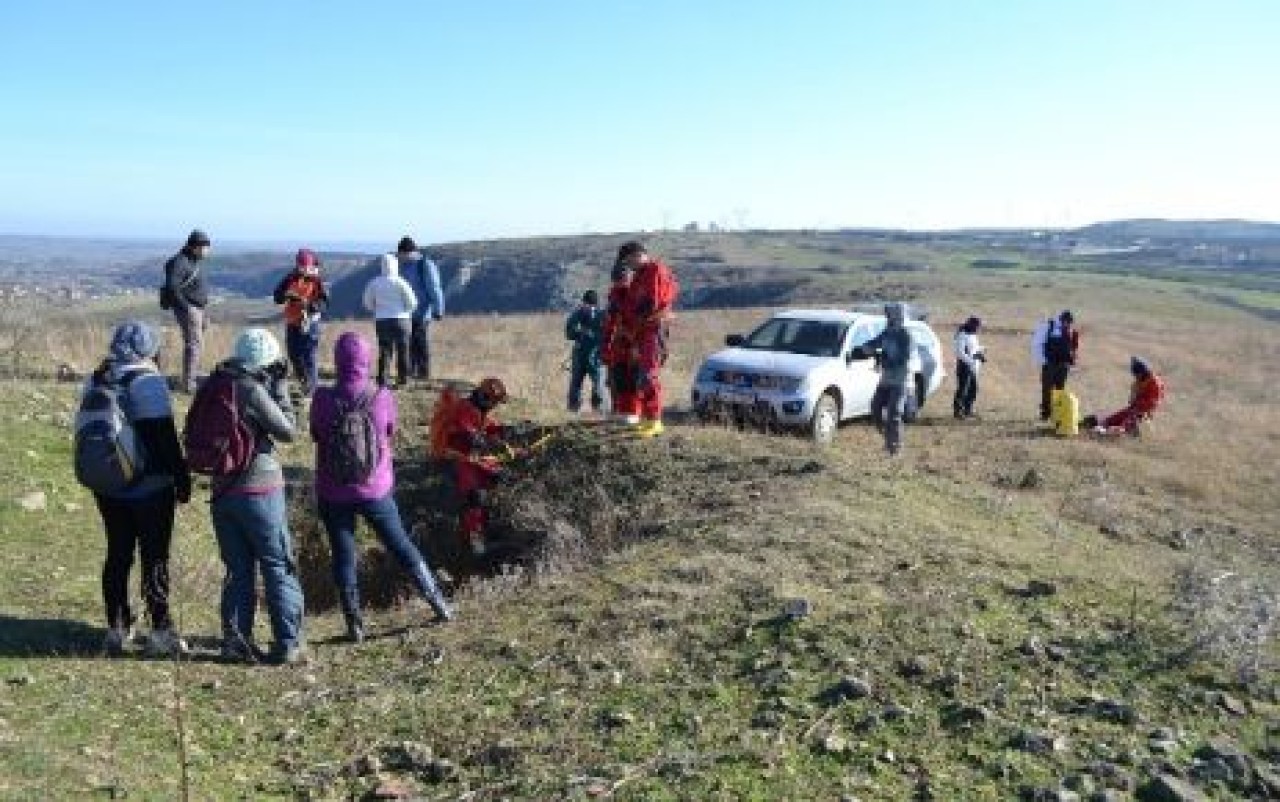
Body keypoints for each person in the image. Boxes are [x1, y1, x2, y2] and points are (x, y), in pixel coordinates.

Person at [310, 332, 453, 642]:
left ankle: (354, 625)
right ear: (367, 360)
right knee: (401, 545)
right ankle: (438, 603)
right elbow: (388, 431)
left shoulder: (322, 397)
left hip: (333, 491)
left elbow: (317, 434)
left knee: (343, 555)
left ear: (337, 360)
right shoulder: (382, 396)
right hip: (375, 490)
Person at [81, 322, 192, 657]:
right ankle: (160, 630)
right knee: (155, 556)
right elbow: (164, 438)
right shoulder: (147, 380)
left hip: (109, 485)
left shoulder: (97, 377)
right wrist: (182, 478)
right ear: (148, 349)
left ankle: (117, 628)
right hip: (149, 488)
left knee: (117, 553)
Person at [204, 328, 306, 664]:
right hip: (259, 491)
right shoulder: (252, 389)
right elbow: (288, 430)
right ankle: (288, 643)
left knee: (237, 569)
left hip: (222, 491)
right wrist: (279, 388)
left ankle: (235, 642)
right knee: (277, 565)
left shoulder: (215, 383)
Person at [438, 377, 510, 556]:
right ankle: (475, 541)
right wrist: (492, 442)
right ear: (485, 398)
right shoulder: (464, 409)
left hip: (467, 454)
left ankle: (484, 528)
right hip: (451, 454)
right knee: (475, 494)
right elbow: (472, 436)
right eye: (495, 402)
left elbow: (486, 426)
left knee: (494, 477)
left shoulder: (477, 409)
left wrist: (502, 432)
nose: (495, 406)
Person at [617, 241, 679, 436]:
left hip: (653, 327)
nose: (628, 265)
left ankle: (655, 420)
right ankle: (646, 417)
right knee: (642, 375)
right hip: (642, 330)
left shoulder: (655, 270)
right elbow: (631, 306)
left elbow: (650, 303)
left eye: (629, 260)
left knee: (649, 374)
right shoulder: (639, 276)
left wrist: (634, 320)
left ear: (638, 254)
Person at [855, 302, 916, 456]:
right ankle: (888, 439)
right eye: (887, 314)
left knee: (894, 413)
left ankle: (894, 448)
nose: (887, 316)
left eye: (890, 314)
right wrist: (860, 350)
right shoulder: (887, 332)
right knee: (875, 408)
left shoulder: (906, 335)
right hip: (886, 379)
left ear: (898, 315)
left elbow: (903, 358)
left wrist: (883, 359)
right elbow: (875, 343)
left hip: (901, 380)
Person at [272, 248, 329, 394]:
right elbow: (277, 296)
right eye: (300, 266)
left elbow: (324, 303)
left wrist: (310, 306)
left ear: (312, 265)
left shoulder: (317, 280)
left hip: (310, 323)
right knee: (293, 354)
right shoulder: (291, 277)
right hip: (292, 322)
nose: (302, 269)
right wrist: (286, 295)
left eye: (305, 266)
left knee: (308, 355)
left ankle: (312, 389)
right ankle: (304, 382)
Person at [163, 229, 212, 393]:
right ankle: (189, 384)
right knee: (194, 344)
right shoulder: (181, 262)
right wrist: (187, 308)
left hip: (197, 308)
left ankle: (190, 377)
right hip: (189, 309)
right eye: (206, 247)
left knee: (196, 343)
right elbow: (172, 287)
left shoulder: (191, 260)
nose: (208, 250)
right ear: (195, 247)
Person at [362, 253, 418, 388]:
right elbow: (412, 302)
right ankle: (402, 380)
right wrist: (406, 311)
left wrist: (377, 310)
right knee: (403, 350)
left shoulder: (374, 283)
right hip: (401, 319)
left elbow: (367, 303)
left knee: (385, 350)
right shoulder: (400, 282)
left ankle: (382, 380)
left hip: (382, 320)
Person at [396, 237, 445, 381]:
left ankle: (423, 374)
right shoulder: (403, 266)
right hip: (406, 313)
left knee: (420, 342)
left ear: (407, 252)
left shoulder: (425, 265)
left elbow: (434, 288)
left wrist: (438, 309)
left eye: (401, 254)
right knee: (409, 342)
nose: (399, 257)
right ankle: (411, 372)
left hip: (422, 312)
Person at [1081, 356, 1166, 436]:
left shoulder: (1155, 384)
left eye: (1137, 375)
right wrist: (1134, 395)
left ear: (1142, 372)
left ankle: (1103, 433)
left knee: (1123, 427)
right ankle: (1094, 424)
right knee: (1110, 419)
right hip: (1134, 410)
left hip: (1141, 414)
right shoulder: (1141, 381)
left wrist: (1137, 405)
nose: (1136, 377)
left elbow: (1150, 405)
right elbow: (1132, 401)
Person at [602, 259, 640, 423]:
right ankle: (622, 411)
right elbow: (609, 324)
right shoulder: (614, 297)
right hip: (619, 345)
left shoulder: (640, 295)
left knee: (636, 379)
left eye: (622, 279)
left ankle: (636, 413)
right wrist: (606, 347)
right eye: (617, 280)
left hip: (638, 343)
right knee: (618, 378)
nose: (620, 283)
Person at [1031, 310, 1080, 421]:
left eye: (1069, 322)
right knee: (1047, 390)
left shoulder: (1072, 332)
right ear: (1061, 320)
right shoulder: (1050, 327)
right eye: (1065, 321)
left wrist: (1073, 360)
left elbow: (1074, 349)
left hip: (1063, 366)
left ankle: (1057, 414)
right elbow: (1039, 343)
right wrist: (1043, 361)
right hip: (1050, 365)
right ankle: (1045, 414)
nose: (1067, 324)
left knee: (1060, 390)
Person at [564, 290, 605, 413]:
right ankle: (597, 408)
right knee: (598, 381)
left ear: (584, 301)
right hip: (597, 353)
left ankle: (573, 408)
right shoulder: (603, 314)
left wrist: (579, 334)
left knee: (576, 382)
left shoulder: (579, 312)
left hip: (580, 351)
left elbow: (569, 332)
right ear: (597, 302)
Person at [952, 316, 986, 419]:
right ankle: (958, 411)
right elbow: (960, 353)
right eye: (978, 326)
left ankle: (968, 409)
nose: (979, 329)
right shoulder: (962, 335)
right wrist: (972, 360)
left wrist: (981, 350)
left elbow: (973, 348)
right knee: (963, 389)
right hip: (964, 366)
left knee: (973, 389)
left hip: (971, 366)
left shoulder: (972, 335)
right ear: (972, 325)